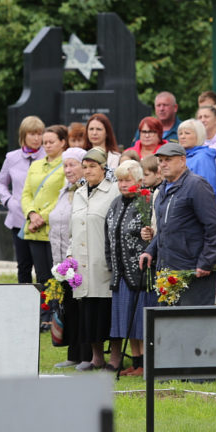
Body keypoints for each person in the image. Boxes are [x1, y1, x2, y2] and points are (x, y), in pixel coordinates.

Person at [139, 142, 216, 306]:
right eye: (161, 160)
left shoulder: (196, 185)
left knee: (191, 324)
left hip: (193, 270)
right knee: (169, 325)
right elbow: (166, 229)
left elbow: (214, 227)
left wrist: (207, 261)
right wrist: (150, 251)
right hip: (167, 268)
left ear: (182, 160)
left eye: (168, 160)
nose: (163, 164)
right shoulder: (163, 188)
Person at [68, 148, 121, 371]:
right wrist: (70, 255)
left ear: (103, 169)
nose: (88, 170)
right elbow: (73, 229)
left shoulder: (113, 191)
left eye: (93, 166)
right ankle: (95, 356)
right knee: (88, 311)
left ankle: (116, 357)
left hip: (104, 260)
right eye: (85, 166)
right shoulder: (79, 193)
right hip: (82, 262)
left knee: (108, 309)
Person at [105, 160, 152, 376]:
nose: (123, 185)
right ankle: (135, 362)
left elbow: (151, 233)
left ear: (139, 181)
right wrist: (110, 263)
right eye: (120, 180)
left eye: (128, 180)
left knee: (140, 320)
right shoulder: (115, 203)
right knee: (127, 321)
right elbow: (109, 235)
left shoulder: (145, 201)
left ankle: (145, 363)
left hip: (140, 271)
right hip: (121, 272)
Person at [49, 147, 88, 369]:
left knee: (82, 307)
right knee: (69, 307)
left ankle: (86, 355)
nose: (68, 169)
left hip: (80, 258)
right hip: (61, 259)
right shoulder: (64, 191)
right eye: (65, 165)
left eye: (73, 164)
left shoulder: (86, 191)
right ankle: (73, 354)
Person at [0, 115, 45, 284]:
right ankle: (24, 305)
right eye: (32, 134)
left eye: (40, 134)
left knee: (42, 266)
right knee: (23, 265)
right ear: (23, 135)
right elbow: (0, 182)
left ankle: (45, 306)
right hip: (18, 218)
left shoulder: (48, 157)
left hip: (41, 219)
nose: (37, 138)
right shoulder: (12, 157)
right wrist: (9, 201)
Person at [20, 124, 69, 286]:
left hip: (55, 228)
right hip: (35, 229)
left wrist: (43, 217)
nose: (47, 146)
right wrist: (32, 214)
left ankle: (58, 311)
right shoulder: (35, 165)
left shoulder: (66, 166)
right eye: (45, 142)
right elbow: (26, 194)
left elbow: (64, 195)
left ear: (62, 142)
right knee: (41, 278)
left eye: (51, 142)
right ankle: (45, 311)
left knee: (57, 277)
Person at [177, 119, 216, 207]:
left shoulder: (203, 157)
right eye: (180, 133)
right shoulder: (182, 157)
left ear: (198, 135)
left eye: (187, 133)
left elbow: (207, 189)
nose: (182, 137)